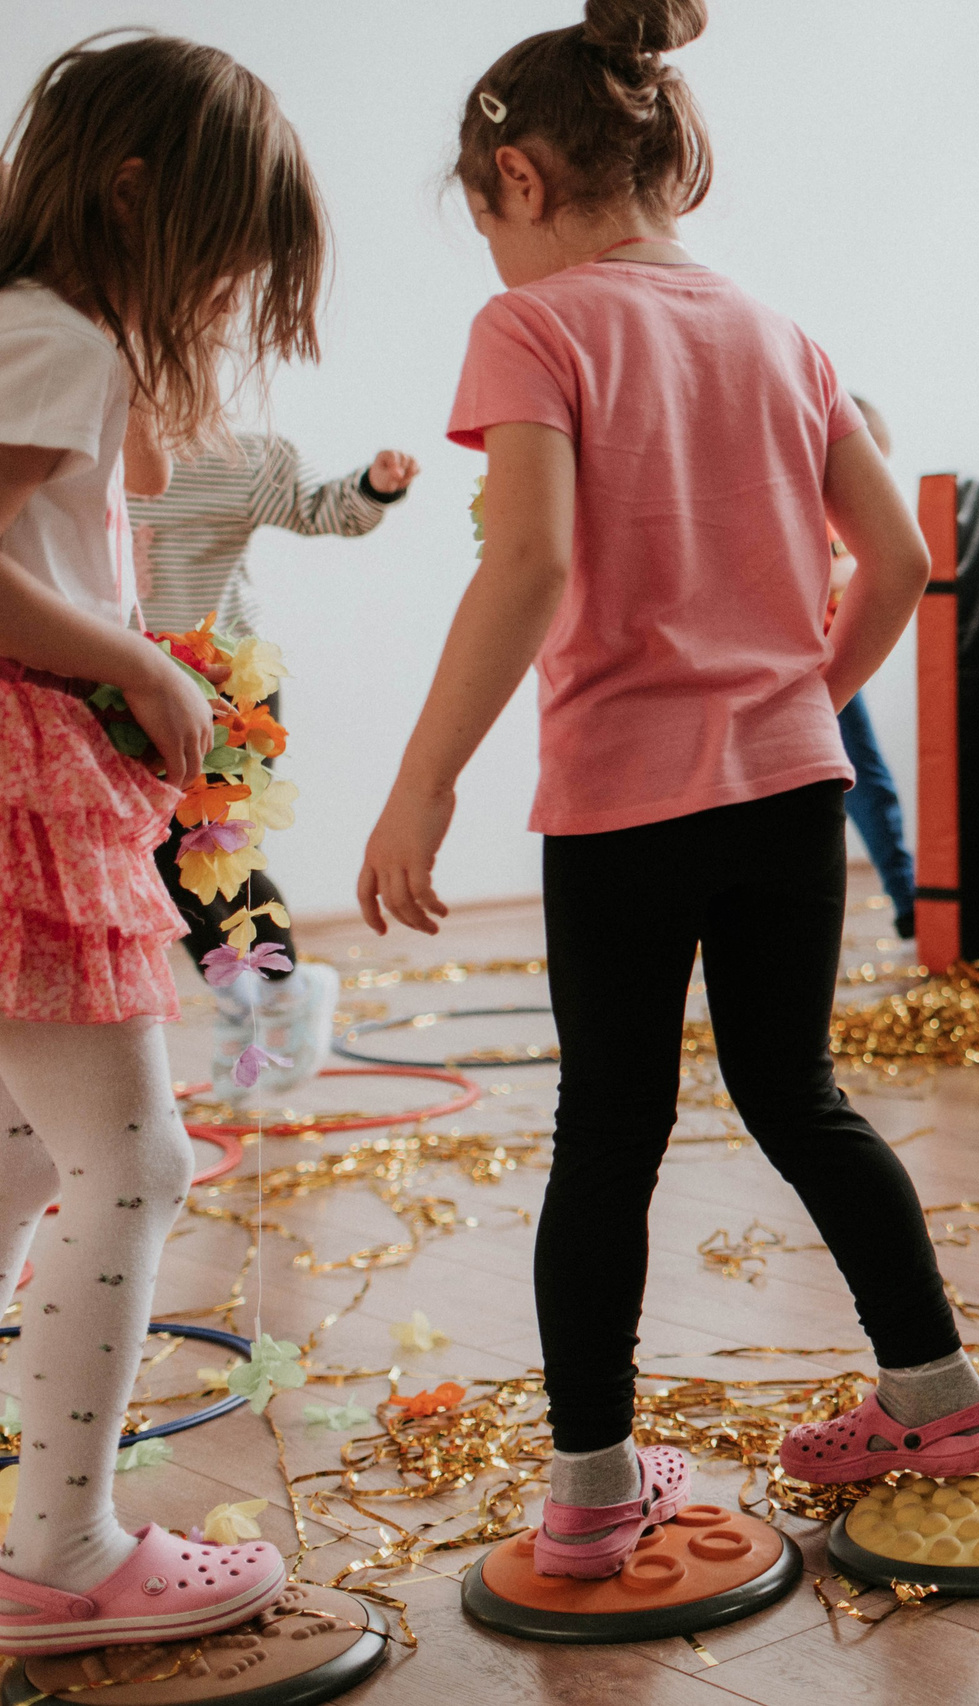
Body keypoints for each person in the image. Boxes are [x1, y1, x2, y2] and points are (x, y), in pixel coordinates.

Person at [356, 0, 979, 1581]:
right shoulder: (784, 334)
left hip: (621, 804)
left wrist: (420, 784)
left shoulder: (535, 327)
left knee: (609, 1130)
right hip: (789, 790)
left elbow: (529, 564)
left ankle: (589, 1486)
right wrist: (797, 700)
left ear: (515, 177)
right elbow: (908, 559)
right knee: (801, 1097)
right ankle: (938, 1397)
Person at [0, 31, 324, 1654]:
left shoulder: (40, 332)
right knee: (133, 1162)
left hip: (41, 770)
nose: (225, 297)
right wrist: (130, 660)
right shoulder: (55, 335)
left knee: (20, 1157)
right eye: (222, 258)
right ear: (134, 196)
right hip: (21, 777)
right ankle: (58, 1551)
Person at [132, 432, 420, 1087]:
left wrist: (374, 486)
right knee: (151, 865)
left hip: (224, 685)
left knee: (209, 852)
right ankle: (242, 993)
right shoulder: (88, 452)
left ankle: (280, 988)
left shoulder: (238, 459)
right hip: (125, 686)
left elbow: (320, 507)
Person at [829, 397, 914, 941]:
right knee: (860, 779)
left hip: (832, 660)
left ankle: (907, 895)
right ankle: (906, 892)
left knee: (866, 780)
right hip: (808, 662)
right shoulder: (816, 510)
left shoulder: (846, 517)